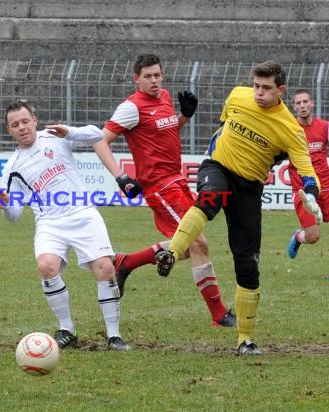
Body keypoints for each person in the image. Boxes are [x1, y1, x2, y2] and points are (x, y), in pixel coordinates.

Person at [154, 61, 323, 356]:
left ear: (280, 90)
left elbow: (307, 170)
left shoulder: (291, 129)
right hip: (217, 165)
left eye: (266, 88)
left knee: (247, 262)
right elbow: (224, 123)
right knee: (208, 200)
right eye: (256, 85)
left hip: (249, 187)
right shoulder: (237, 96)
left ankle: (244, 338)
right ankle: (172, 252)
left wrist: (311, 193)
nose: (258, 93)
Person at [93, 53, 236, 328]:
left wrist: (184, 116)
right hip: (159, 186)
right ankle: (219, 314)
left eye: (157, 75)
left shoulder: (166, 97)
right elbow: (100, 140)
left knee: (184, 248)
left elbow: (164, 133)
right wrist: (120, 177)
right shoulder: (131, 107)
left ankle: (127, 262)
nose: (154, 80)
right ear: (137, 79)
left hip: (177, 180)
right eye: (148, 76)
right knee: (198, 243)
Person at [0, 99, 131, 351]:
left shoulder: (56, 136)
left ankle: (114, 335)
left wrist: (71, 132)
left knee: (105, 268)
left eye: (25, 121)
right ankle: (66, 328)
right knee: (46, 266)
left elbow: (96, 135)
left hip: (83, 212)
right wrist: (4, 205)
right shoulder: (12, 168)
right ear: (9, 130)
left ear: (35, 120)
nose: (22, 127)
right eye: (15, 125)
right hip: (50, 222)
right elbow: (15, 214)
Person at [287, 89, 329, 283]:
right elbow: (274, 153)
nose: (302, 106)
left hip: (326, 186)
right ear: (294, 107)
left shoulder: (325, 127)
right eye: (298, 103)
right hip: (303, 191)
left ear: (312, 103)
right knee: (313, 236)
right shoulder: (289, 129)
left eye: (305, 101)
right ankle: (298, 237)